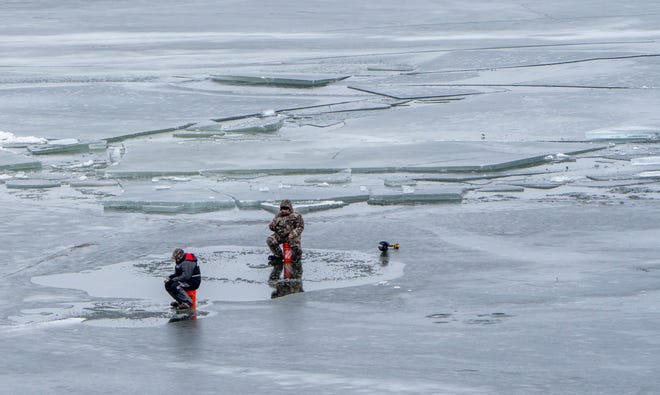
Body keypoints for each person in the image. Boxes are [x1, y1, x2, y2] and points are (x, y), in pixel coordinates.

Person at [266, 199, 304, 285]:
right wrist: (271, 226)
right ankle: (279, 256)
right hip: (280, 235)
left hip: (292, 235)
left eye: (286, 208)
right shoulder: (278, 216)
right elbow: (275, 228)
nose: (284, 210)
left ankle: (297, 256)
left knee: (293, 243)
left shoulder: (296, 215)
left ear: (290, 208)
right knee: (270, 240)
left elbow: (300, 227)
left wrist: (293, 233)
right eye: (283, 209)